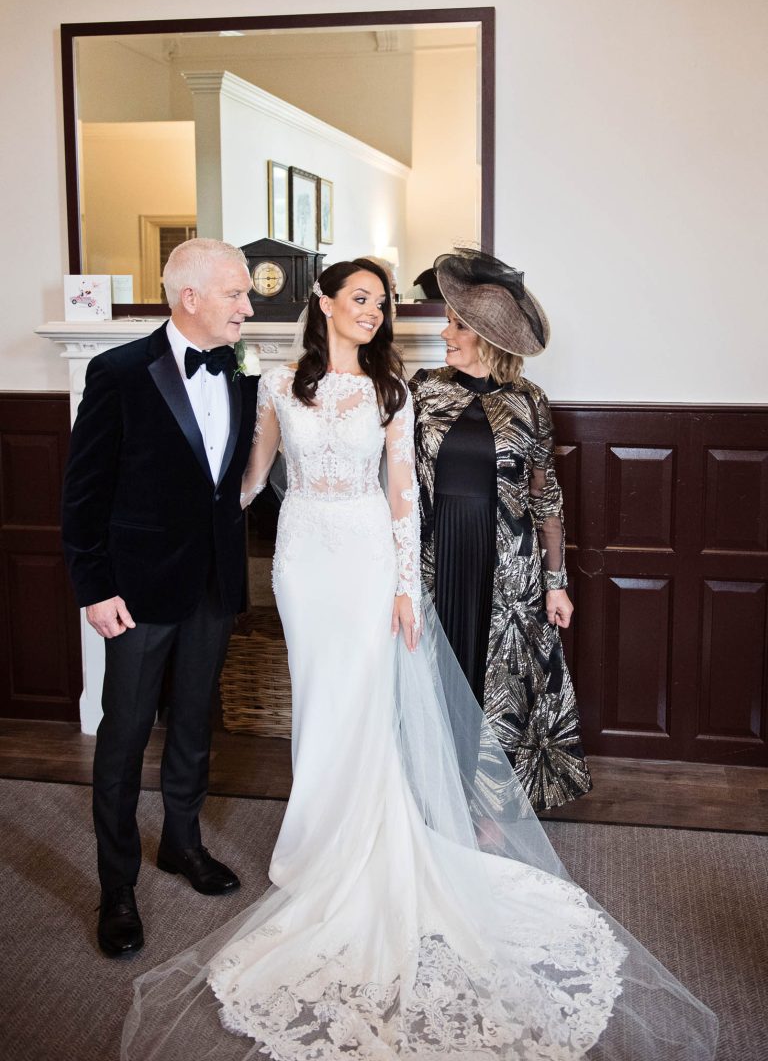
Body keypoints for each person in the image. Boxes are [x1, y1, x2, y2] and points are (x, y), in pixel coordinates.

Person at [122, 258, 716, 1061]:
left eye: (382, 302)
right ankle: (313, 837)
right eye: (360, 299)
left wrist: (419, 585)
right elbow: (252, 478)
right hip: (307, 558)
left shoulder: (422, 394)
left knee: (377, 697)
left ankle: (386, 834)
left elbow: (428, 490)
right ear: (324, 303)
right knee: (319, 698)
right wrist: (183, 520)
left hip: (399, 557)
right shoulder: (302, 387)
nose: (378, 313)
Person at [61, 238, 259, 958]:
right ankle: (116, 887)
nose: (248, 305)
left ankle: (182, 842)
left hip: (211, 583)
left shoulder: (241, 368)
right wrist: (94, 586)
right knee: (122, 738)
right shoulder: (118, 373)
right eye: (236, 294)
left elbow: (230, 481)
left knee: (195, 723)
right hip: (136, 591)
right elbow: (82, 494)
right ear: (191, 298)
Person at [409, 249, 591, 813]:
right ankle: (439, 796)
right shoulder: (423, 390)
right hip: (438, 558)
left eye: (457, 325)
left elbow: (545, 498)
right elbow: (396, 486)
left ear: (487, 339)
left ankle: (489, 806)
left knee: (501, 682)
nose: (445, 332)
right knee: (441, 672)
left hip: (505, 565)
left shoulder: (529, 403)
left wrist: (555, 583)